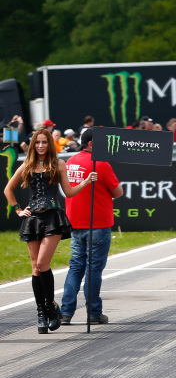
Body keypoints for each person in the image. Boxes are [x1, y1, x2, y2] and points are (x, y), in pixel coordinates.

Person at [5, 127, 96, 333]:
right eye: (37, 142)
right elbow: (8, 189)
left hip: (53, 217)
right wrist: (18, 210)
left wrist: (85, 181)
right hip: (33, 218)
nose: (40, 146)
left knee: (42, 263)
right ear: (32, 145)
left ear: (49, 144)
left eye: (44, 142)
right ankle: (41, 313)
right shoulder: (26, 165)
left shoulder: (59, 164)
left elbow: (69, 192)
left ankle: (51, 306)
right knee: (35, 268)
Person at [62, 127, 124, 325]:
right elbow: (118, 192)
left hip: (75, 223)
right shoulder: (101, 163)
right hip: (97, 223)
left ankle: (66, 313)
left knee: (75, 268)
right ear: (91, 144)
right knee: (93, 269)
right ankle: (94, 313)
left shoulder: (70, 161)